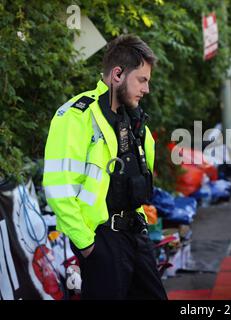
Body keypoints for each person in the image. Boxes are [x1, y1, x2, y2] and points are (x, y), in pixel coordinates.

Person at [43, 34, 167, 300]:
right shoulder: (77, 116)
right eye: (142, 80)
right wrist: (87, 245)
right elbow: (58, 188)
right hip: (102, 241)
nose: (146, 89)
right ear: (118, 74)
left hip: (136, 234)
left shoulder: (134, 119)